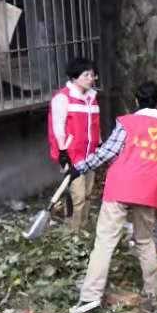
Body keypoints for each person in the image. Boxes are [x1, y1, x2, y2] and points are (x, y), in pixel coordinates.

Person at [68, 81, 157, 313]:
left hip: (120, 188)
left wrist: (79, 168)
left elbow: (106, 153)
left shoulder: (126, 123)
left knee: (104, 242)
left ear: (136, 102)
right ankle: (152, 293)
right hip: (149, 191)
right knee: (145, 241)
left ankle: (90, 298)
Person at [46, 57, 102, 230]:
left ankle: (82, 228)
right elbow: (58, 128)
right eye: (86, 75)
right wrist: (63, 154)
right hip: (72, 156)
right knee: (77, 196)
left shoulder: (92, 98)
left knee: (87, 194)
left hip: (90, 155)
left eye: (92, 75)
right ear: (74, 77)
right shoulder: (63, 98)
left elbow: (95, 125)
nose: (91, 79)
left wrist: (99, 145)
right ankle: (72, 232)